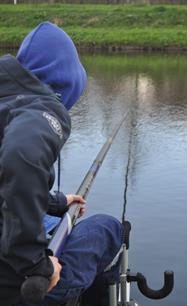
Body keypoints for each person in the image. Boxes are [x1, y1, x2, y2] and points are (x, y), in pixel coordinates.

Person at [0, 22, 123, 306]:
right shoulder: (42, 111)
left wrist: (55, 201)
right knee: (108, 228)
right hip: (22, 288)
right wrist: (36, 265)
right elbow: (20, 157)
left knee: (53, 220)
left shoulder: (8, 107)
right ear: (66, 84)